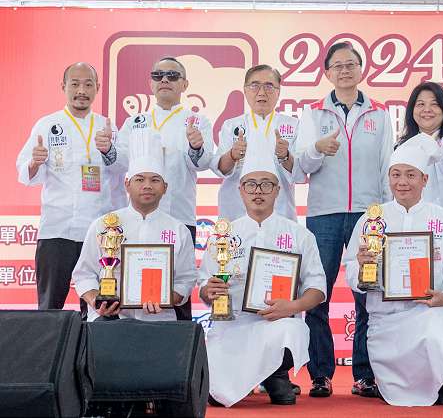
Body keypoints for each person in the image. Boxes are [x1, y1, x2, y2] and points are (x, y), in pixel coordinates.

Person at [343, 133, 443, 406]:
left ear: (424, 180)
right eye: (396, 175)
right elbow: (351, 269)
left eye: (410, 175)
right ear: (388, 179)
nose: (402, 182)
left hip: (428, 310)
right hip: (385, 317)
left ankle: (442, 383)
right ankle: (390, 382)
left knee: (434, 330)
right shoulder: (372, 219)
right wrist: (363, 269)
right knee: (392, 366)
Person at [294, 42, 393, 397]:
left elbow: (386, 169)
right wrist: (316, 150)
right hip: (324, 214)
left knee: (367, 295)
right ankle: (320, 374)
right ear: (327, 72)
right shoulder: (312, 114)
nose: (345, 70)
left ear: (362, 69)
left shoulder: (380, 115)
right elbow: (298, 170)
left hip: (369, 216)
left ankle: (365, 374)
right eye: (338, 65)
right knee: (317, 293)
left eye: (351, 64)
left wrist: (382, 214)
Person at [199, 131, 326, 407]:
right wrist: (209, 290)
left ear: (278, 190)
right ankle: (257, 376)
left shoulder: (299, 235)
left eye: (266, 185)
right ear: (240, 189)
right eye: (251, 185)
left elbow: (317, 289)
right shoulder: (223, 235)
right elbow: (202, 288)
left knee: (290, 330)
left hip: (275, 323)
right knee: (218, 397)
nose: (258, 191)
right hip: (232, 326)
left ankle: (275, 374)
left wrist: (292, 306)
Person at [16, 62, 126, 318]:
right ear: (63, 87)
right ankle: (48, 357)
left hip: (98, 232)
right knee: (49, 305)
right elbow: (25, 171)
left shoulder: (107, 126)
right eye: (75, 84)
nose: (81, 90)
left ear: (97, 88)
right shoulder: (47, 124)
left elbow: (124, 166)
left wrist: (108, 150)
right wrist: (35, 161)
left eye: (88, 84)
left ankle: (92, 358)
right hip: (57, 228)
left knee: (99, 307)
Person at [115, 57, 214, 320]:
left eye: (172, 75)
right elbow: (118, 162)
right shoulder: (134, 121)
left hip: (180, 216)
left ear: (185, 84)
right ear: (151, 83)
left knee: (178, 289)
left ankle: (181, 354)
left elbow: (204, 163)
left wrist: (196, 146)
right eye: (158, 76)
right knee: (135, 286)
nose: (165, 80)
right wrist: (106, 149)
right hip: (139, 219)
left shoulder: (197, 121)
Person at [72, 130, 196, 322]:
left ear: (165, 187)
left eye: (155, 180)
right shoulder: (103, 225)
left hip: (159, 321)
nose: (147, 185)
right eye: (139, 179)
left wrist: (164, 299)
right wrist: (97, 301)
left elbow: (185, 280)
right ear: (127, 184)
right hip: (110, 321)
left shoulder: (179, 231)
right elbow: (83, 273)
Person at [212, 64, 298, 221]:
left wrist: (285, 156)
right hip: (236, 211)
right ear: (245, 90)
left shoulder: (293, 125)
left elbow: (300, 172)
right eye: (254, 85)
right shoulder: (231, 125)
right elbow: (221, 169)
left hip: (281, 210)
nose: (261, 92)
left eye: (269, 86)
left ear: (278, 92)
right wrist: (232, 155)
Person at [397, 82, 443, 220]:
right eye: (421, 104)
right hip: (411, 222)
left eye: (434, 104)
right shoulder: (401, 146)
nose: (427, 110)